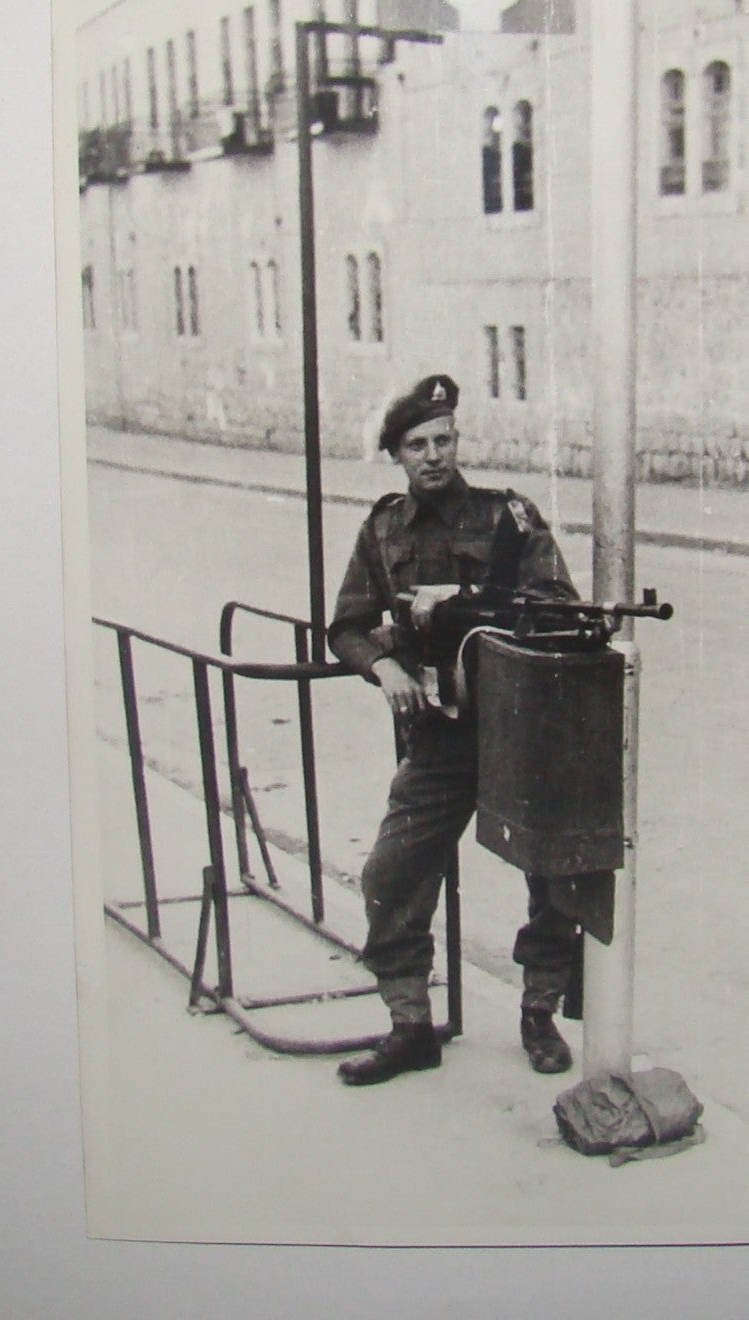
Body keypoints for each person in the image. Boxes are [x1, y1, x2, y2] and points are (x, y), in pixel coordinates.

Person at [328, 373, 581, 1085]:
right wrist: (383, 668)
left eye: (443, 440)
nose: (433, 455)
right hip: (441, 735)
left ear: (457, 441)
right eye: (416, 445)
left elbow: (559, 607)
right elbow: (343, 627)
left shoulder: (510, 518)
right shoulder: (382, 531)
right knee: (389, 872)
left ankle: (539, 1010)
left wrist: (463, 602)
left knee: (554, 871)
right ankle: (410, 1024)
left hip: (520, 728)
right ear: (396, 455)